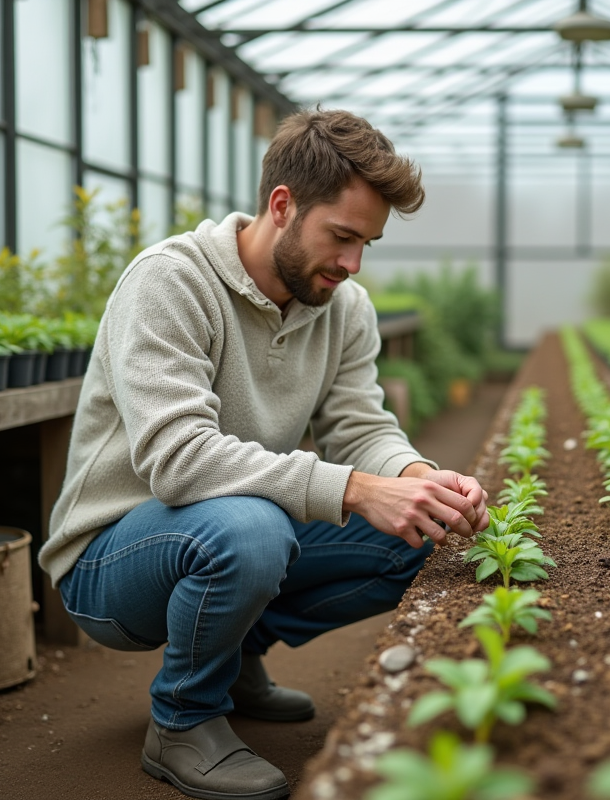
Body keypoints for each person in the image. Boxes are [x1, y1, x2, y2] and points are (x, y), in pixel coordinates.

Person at [37, 109, 490, 800]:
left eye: (366, 243)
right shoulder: (171, 282)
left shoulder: (345, 308)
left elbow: (360, 425)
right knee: (251, 529)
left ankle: (234, 652)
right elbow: (180, 460)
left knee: (420, 534)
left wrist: (419, 479)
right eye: (341, 236)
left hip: (227, 530)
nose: (351, 263)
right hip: (112, 558)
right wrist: (357, 490)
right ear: (282, 205)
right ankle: (184, 721)